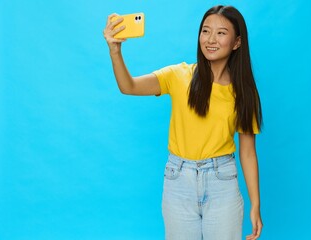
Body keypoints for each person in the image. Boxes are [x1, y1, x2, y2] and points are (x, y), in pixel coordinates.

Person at [103, 5, 263, 240]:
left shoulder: (243, 93)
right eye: (206, 31)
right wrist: (115, 51)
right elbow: (129, 86)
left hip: (222, 183)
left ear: (237, 42)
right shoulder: (179, 75)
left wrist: (255, 204)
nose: (211, 39)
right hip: (179, 180)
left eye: (221, 33)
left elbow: (248, 153)